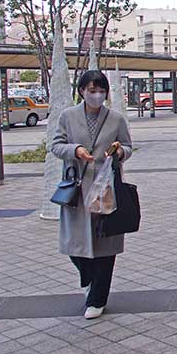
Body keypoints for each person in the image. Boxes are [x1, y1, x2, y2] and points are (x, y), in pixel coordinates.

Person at [50, 70, 132, 320]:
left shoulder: (115, 119)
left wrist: (118, 153)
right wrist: (75, 150)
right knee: (75, 244)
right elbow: (55, 145)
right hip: (78, 187)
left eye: (101, 91)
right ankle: (88, 275)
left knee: (106, 243)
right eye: (92, 90)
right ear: (82, 91)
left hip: (107, 188)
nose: (97, 95)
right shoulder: (68, 117)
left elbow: (127, 146)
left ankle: (97, 298)